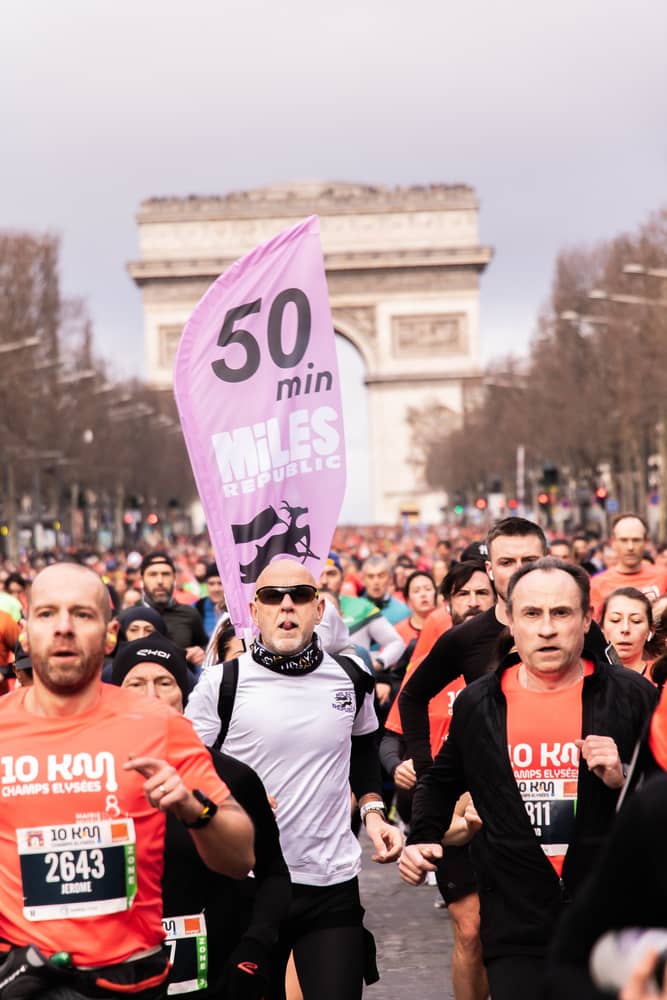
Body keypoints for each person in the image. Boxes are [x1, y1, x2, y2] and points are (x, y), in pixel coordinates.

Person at [400, 557, 657, 1000]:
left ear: (586, 620)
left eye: (561, 613)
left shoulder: (632, 695)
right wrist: (424, 836)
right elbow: (442, 780)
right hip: (515, 921)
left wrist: (624, 777)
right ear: (511, 622)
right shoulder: (480, 703)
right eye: (532, 614)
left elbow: (661, 792)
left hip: (610, 921)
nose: (547, 628)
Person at [0, 562, 254, 999]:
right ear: (26, 632)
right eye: (47, 614)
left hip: (128, 979)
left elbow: (240, 858)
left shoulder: (158, 724)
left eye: (81, 614)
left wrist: (196, 812)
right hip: (24, 979)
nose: (63, 628)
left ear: (111, 632)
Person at [186, 558, 403, 1000]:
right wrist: (234, 797)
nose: (287, 607)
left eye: (300, 596)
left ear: (318, 609)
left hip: (329, 880)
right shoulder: (221, 683)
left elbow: (362, 745)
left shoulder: (350, 676)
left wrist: (374, 811)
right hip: (248, 884)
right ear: (255, 609)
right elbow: (189, 762)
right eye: (273, 597)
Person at [111, 634, 291, 999]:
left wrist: (253, 950)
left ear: (185, 695)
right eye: (136, 684)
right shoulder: (91, 776)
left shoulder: (231, 776)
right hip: (119, 976)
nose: (151, 695)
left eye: (165, 682)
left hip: (219, 974)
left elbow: (274, 874)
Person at [140, 551, 208, 670]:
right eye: (153, 574)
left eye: (165, 574)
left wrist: (201, 652)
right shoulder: (128, 618)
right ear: (142, 579)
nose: (160, 581)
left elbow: (205, 645)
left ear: (174, 578)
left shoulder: (189, 614)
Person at [590, 514, 667, 618]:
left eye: (636, 540)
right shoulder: (597, 584)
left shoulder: (663, 576)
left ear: (646, 542)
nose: (630, 547)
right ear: (613, 542)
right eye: (624, 540)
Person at [600, 587, 655, 676]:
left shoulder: (661, 676)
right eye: (615, 620)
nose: (625, 629)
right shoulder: (586, 676)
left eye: (636, 621)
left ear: (650, 630)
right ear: (601, 627)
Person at [195, 562, 226, 639]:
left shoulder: (236, 610)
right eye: (211, 584)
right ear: (206, 585)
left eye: (220, 583)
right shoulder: (196, 607)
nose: (216, 589)